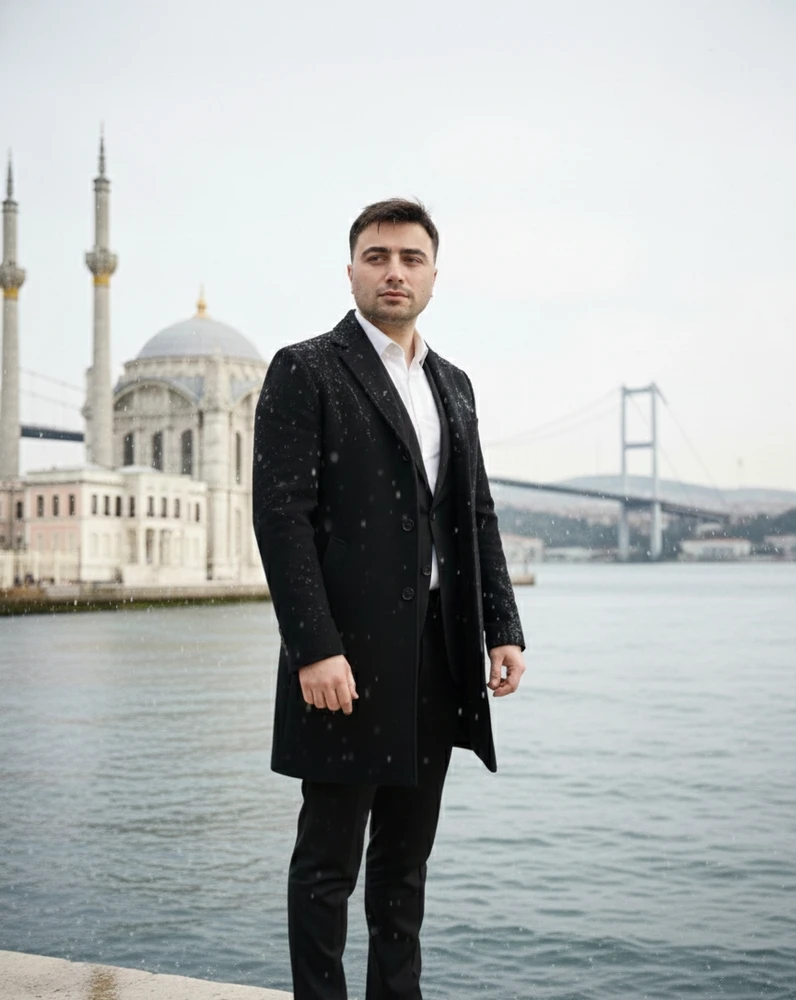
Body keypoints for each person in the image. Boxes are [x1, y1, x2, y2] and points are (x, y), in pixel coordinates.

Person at [252, 198, 526, 1000]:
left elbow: (474, 512)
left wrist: (501, 627)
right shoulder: (305, 369)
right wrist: (315, 647)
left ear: (434, 275)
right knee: (327, 864)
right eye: (377, 257)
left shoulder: (454, 385)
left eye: (411, 258)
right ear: (351, 272)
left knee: (405, 866)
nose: (394, 272)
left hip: (439, 656)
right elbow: (281, 516)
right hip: (346, 659)